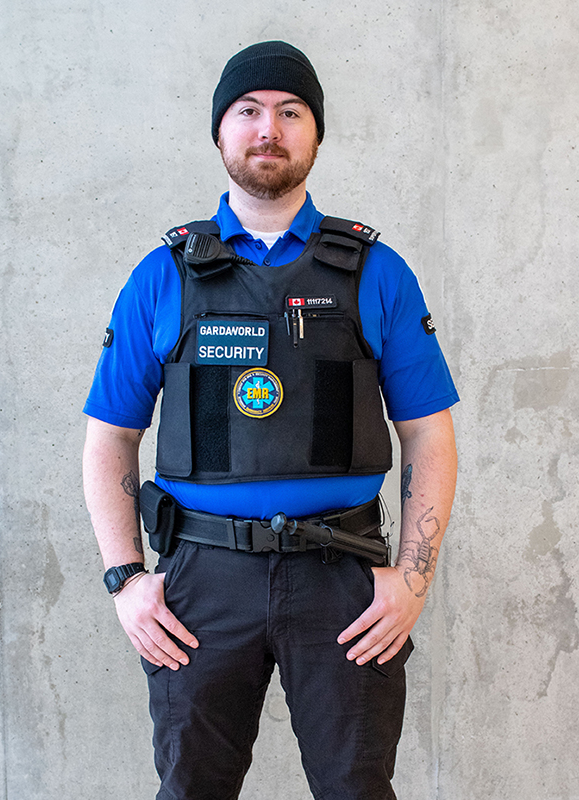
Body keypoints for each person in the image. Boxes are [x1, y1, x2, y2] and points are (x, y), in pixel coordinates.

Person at [83, 41, 458, 800]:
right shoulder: (164, 275)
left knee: (357, 788)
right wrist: (126, 578)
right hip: (202, 584)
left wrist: (412, 583)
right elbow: (110, 438)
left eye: (290, 112)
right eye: (247, 111)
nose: (268, 129)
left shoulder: (374, 271)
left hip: (342, 577)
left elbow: (428, 432)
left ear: (315, 133)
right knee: (193, 788)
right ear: (220, 132)